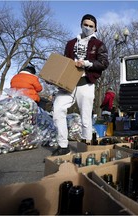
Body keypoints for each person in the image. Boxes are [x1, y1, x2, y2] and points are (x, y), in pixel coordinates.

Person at [52, 14, 109, 156]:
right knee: (57, 110)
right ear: (81, 25)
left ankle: (87, 147)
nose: (88, 28)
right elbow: (65, 62)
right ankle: (63, 146)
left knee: (85, 118)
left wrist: (86, 63)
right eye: (86, 24)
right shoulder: (70, 43)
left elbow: (103, 63)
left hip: (86, 83)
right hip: (68, 83)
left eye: (91, 26)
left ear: (95, 28)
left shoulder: (98, 44)